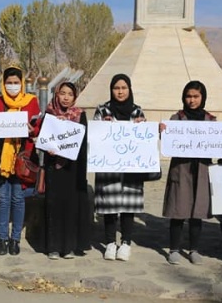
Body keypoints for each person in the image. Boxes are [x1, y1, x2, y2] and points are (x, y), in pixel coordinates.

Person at [161, 80, 222, 265]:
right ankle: (173, 249)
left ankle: (194, 249)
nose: (192, 100)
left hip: (202, 170)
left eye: (196, 96)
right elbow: (168, 143)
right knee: (178, 211)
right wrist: (163, 132)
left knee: (197, 213)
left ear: (203, 97)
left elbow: (219, 144)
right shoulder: (176, 119)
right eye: (188, 96)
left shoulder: (211, 120)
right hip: (181, 170)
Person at [0, 66, 40, 256]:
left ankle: (15, 239)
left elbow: (37, 128)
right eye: (9, 83)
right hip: (1, 157)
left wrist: (33, 131)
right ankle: (2, 238)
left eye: (16, 83)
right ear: (3, 83)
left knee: (18, 199)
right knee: (3, 198)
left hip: (22, 157)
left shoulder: (31, 101)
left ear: (22, 83)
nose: (13, 86)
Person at [93, 74, 147, 262]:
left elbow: (144, 141)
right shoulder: (102, 110)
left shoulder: (137, 112)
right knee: (109, 206)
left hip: (131, 169)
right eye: (117, 88)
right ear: (111, 90)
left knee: (127, 207)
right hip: (108, 168)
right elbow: (95, 137)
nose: (121, 91)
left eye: (124, 88)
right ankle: (109, 243)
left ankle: (125, 243)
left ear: (130, 89)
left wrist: (142, 128)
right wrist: (102, 128)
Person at [43, 81, 92, 260]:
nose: (65, 97)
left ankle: (68, 246)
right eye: (62, 93)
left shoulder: (79, 115)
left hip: (73, 168)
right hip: (53, 167)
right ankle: (53, 247)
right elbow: (43, 139)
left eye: (69, 94)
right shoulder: (49, 113)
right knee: (54, 205)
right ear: (57, 95)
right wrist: (47, 147)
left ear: (74, 97)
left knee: (71, 206)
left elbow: (83, 142)